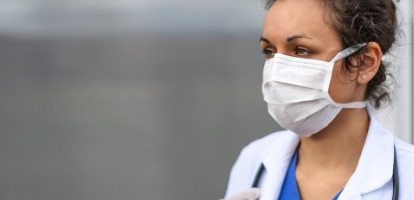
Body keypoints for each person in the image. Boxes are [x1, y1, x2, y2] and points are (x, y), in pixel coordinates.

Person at [222, 0, 414, 199]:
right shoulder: (252, 162)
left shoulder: (409, 177)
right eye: (270, 51)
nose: (276, 70)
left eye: (301, 50)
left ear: (365, 63)